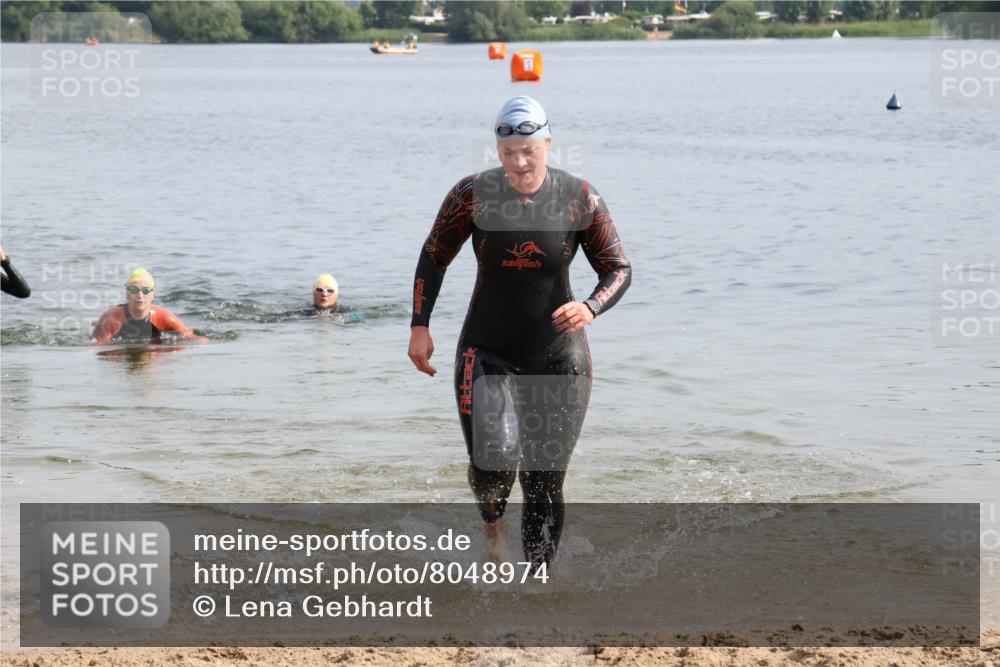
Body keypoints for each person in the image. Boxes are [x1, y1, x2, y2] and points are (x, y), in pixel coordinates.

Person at [407, 96, 631, 568]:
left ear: (548, 144)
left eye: (529, 150)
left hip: (559, 355)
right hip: (487, 348)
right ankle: (493, 526)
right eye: (509, 153)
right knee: (495, 467)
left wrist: (590, 307)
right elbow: (433, 256)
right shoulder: (473, 194)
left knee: (545, 480)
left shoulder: (579, 197)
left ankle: (536, 584)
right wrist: (420, 326)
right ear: (498, 150)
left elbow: (618, 269)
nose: (520, 162)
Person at [90, 268, 207, 344]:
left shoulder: (165, 318)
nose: (140, 295)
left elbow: (194, 338)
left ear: (153, 294)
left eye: (146, 290)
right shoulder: (110, 319)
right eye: (133, 290)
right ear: (127, 294)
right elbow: (95, 347)